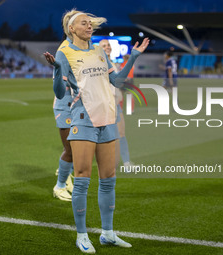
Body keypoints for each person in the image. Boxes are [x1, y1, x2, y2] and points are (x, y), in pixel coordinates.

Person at [44, 9, 149, 254]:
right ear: (72, 28)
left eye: (91, 23)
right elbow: (60, 93)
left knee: (109, 179)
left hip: (107, 119)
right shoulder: (64, 51)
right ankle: (81, 235)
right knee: (81, 180)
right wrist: (58, 69)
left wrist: (133, 57)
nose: (89, 26)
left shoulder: (100, 51)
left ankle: (108, 234)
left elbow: (117, 81)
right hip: (83, 118)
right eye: (84, 23)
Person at [99, 40, 135, 170]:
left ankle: (126, 163)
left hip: (116, 103)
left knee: (121, 132)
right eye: (104, 46)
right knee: (105, 136)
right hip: (105, 105)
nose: (107, 47)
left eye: (108, 45)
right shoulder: (99, 64)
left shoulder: (114, 63)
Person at [52, 37, 74, 201]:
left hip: (79, 104)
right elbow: (60, 87)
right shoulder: (64, 50)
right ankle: (60, 185)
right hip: (65, 105)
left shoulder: (83, 49)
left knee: (79, 148)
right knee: (71, 149)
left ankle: (67, 176)